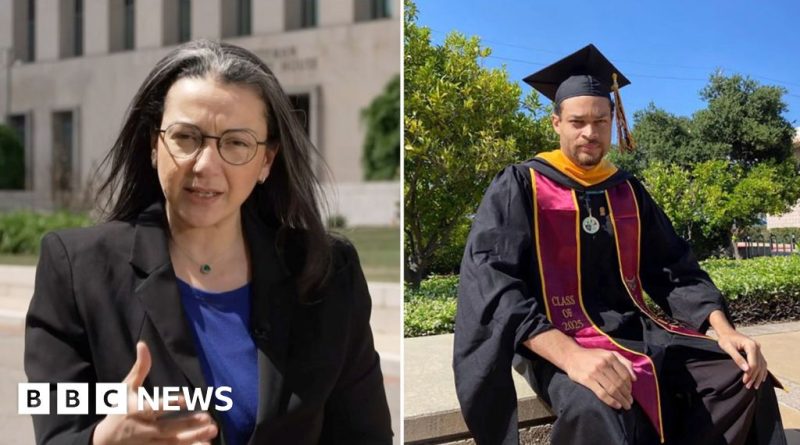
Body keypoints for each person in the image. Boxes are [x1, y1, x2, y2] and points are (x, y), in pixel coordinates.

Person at [25, 40, 393, 445]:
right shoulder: (77, 270)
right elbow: (54, 425)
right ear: (154, 145)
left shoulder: (326, 272)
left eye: (236, 143)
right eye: (186, 137)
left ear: (266, 161)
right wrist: (102, 440)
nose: (205, 165)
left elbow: (365, 435)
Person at [453, 44, 786, 445]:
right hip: (553, 338)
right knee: (599, 407)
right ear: (556, 123)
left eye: (600, 121)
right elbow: (492, 282)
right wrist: (571, 357)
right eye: (577, 121)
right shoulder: (522, 185)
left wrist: (724, 330)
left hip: (636, 330)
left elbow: (673, 267)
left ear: (613, 121)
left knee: (744, 376)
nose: (590, 133)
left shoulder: (626, 190)